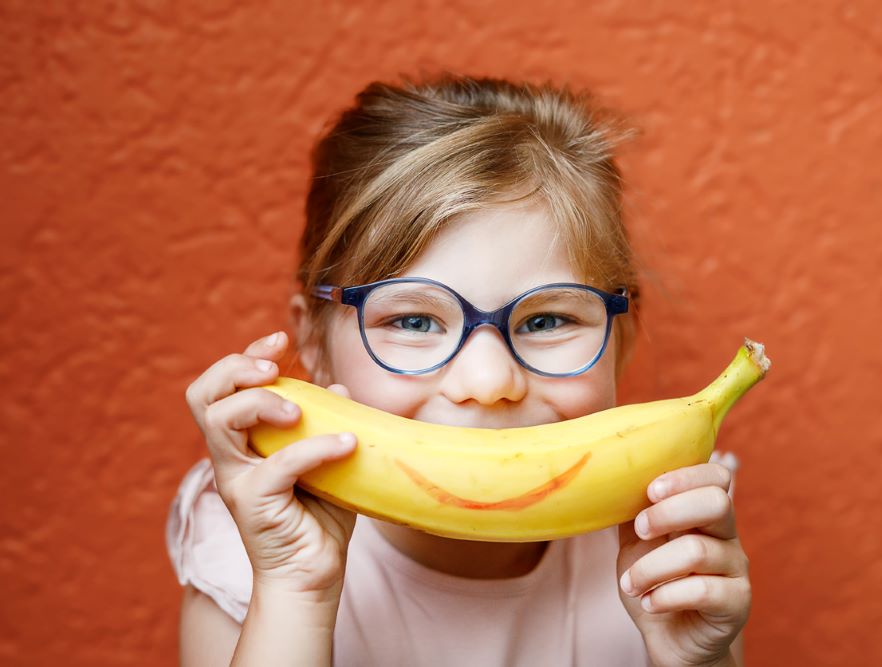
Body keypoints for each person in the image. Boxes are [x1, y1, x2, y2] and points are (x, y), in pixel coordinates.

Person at [168, 74, 750, 666]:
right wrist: (294, 593)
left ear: (621, 338)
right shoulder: (255, 556)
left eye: (547, 320)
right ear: (312, 342)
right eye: (415, 322)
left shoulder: (669, 547)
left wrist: (697, 661)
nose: (489, 382)